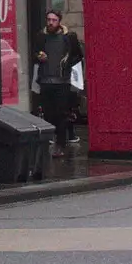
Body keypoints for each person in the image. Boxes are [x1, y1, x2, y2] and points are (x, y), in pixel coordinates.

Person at [35, 9, 84, 157]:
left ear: (59, 21)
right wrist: (38, 56)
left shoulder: (69, 37)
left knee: (61, 114)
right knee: (48, 114)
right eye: (49, 19)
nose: (50, 22)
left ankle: (60, 144)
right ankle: (51, 140)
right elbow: (34, 53)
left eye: (54, 20)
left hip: (62, 81)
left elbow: (78, 55)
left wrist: (67, 65)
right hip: (45, 80)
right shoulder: (41, 36)